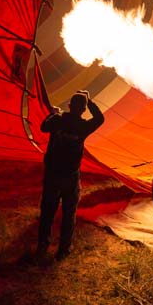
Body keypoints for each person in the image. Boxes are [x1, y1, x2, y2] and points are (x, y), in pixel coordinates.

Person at [37, 90, 104, 261]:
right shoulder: (83, 126)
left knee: (47, 212)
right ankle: (63, 250)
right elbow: (100, 119)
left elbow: (43, 127)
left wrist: (53, 114)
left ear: (69, 105)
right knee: (69, 213)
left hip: (52, 174)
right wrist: (89, 100)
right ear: (83, 110)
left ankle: (42, 247)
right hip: (71, 176)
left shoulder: (58, 121)